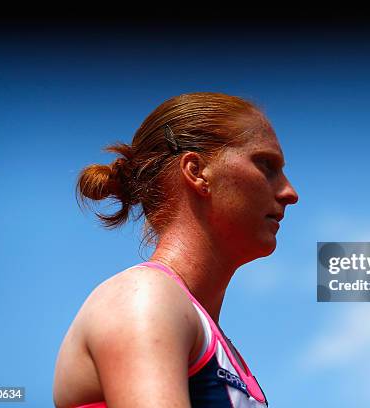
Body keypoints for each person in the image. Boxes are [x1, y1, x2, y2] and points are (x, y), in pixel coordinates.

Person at [53, 92, 299, 408]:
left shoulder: (214, 341)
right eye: (266, 165)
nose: (290, 193)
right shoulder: (144, 296)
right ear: (196, 172)